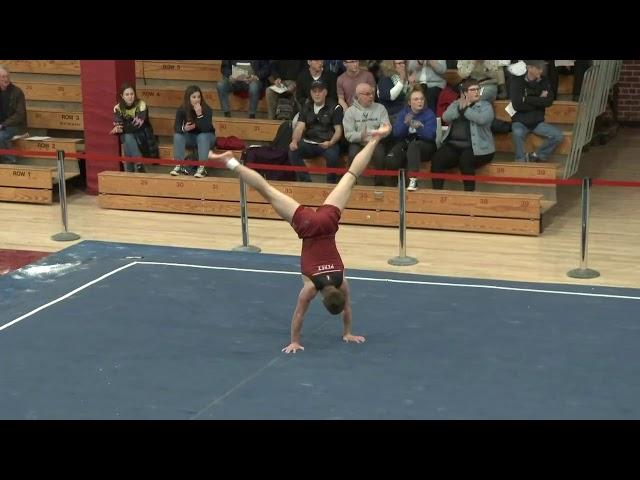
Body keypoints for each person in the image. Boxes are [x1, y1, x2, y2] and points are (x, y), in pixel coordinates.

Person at [209, 123, 392, 354]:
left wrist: (348, 330)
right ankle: (230, 162)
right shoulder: (310, 288)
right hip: (307, 226)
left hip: (326, 223)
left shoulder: (342, 280)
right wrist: (296, 341)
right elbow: (299, 315)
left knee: (351, 176)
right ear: (323, 301)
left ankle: (375, 140)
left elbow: (347, 309)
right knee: (266, 190)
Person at [109, 83, 158, 173]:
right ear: (122, 96)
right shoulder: (118, 108)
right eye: (127, 94)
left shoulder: (142, 105)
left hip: (142, 134)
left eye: (132, 94)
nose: (130, 97)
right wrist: (117, 128)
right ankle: (139, 164)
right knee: (127, 137)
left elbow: (136, 126)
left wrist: (120, 129)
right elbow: (118, 124)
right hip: (129, 137)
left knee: (127, 136)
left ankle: (130, 169)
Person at [170, 85, 215, 178]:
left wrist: (199, 115)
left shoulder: (207, 109)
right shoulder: (182, 109)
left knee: (202, 136)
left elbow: (206, 129)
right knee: (178, 136)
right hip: (190, 137)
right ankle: (178, 165)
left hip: (207, 138)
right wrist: (184, 129)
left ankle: (202, 168)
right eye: (194, 97)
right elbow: (176, 127)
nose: (197, 99)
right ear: (188, 98)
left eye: (199, 97)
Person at [0, 65, 27, 164]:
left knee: (1, 136)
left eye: (7, 76)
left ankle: (9, 162)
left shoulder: (17, 92)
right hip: (2, 125)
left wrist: (3, 125)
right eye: (3, 77)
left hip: (15, 126)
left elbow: (20, 115)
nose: (6, 79)